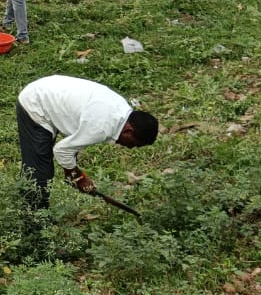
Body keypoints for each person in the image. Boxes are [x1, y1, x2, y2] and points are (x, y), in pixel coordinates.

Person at [16, 75, 159, 211]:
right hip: (36, 102)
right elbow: (62, 150)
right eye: (134, 144)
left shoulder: (122, 111)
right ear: (129, 130)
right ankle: (33, 219)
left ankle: (28, 206)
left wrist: (72, 172)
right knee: (40, 169)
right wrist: (78, 177)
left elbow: (75, 139)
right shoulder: (102, 126)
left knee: (37, 164)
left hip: (51, 92)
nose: (131, 148)